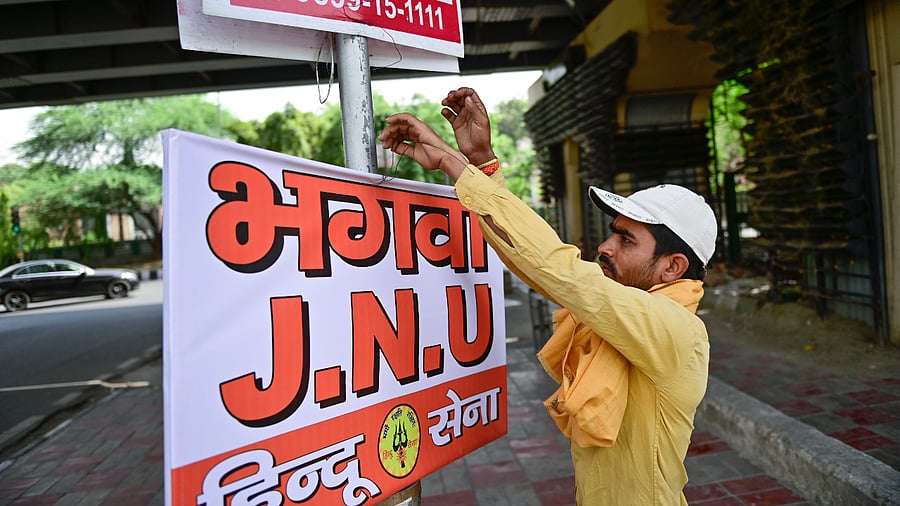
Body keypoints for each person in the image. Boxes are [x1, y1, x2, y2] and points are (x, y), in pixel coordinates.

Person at [378, 87, 718, 505]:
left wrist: (453, 163)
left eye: (626, 240)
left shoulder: (677, 330)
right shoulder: (625, 310)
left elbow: (559, 270)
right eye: (613, 232)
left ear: (672, 267)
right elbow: (536, 266)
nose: (606, 247)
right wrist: (483, 165)